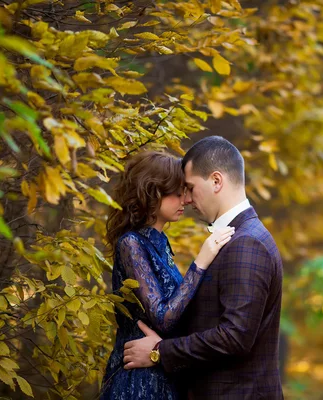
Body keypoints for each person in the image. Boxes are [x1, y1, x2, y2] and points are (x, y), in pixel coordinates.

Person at [122, 136, 284, 399]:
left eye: (189, 187)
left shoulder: (247, 243)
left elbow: (234, 337)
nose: (186, 198)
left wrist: (159, 351)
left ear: (216, 181)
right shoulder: (236, 238)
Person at [100, 151, 235, 400]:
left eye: (185, 190)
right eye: (176, 192)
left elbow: (179, 312)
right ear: (152, 192)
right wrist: (201, 261)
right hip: (139, 381)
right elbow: (163, 318)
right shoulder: (131, 243)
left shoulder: (160, 243)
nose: (185, 199)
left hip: (161, 372)